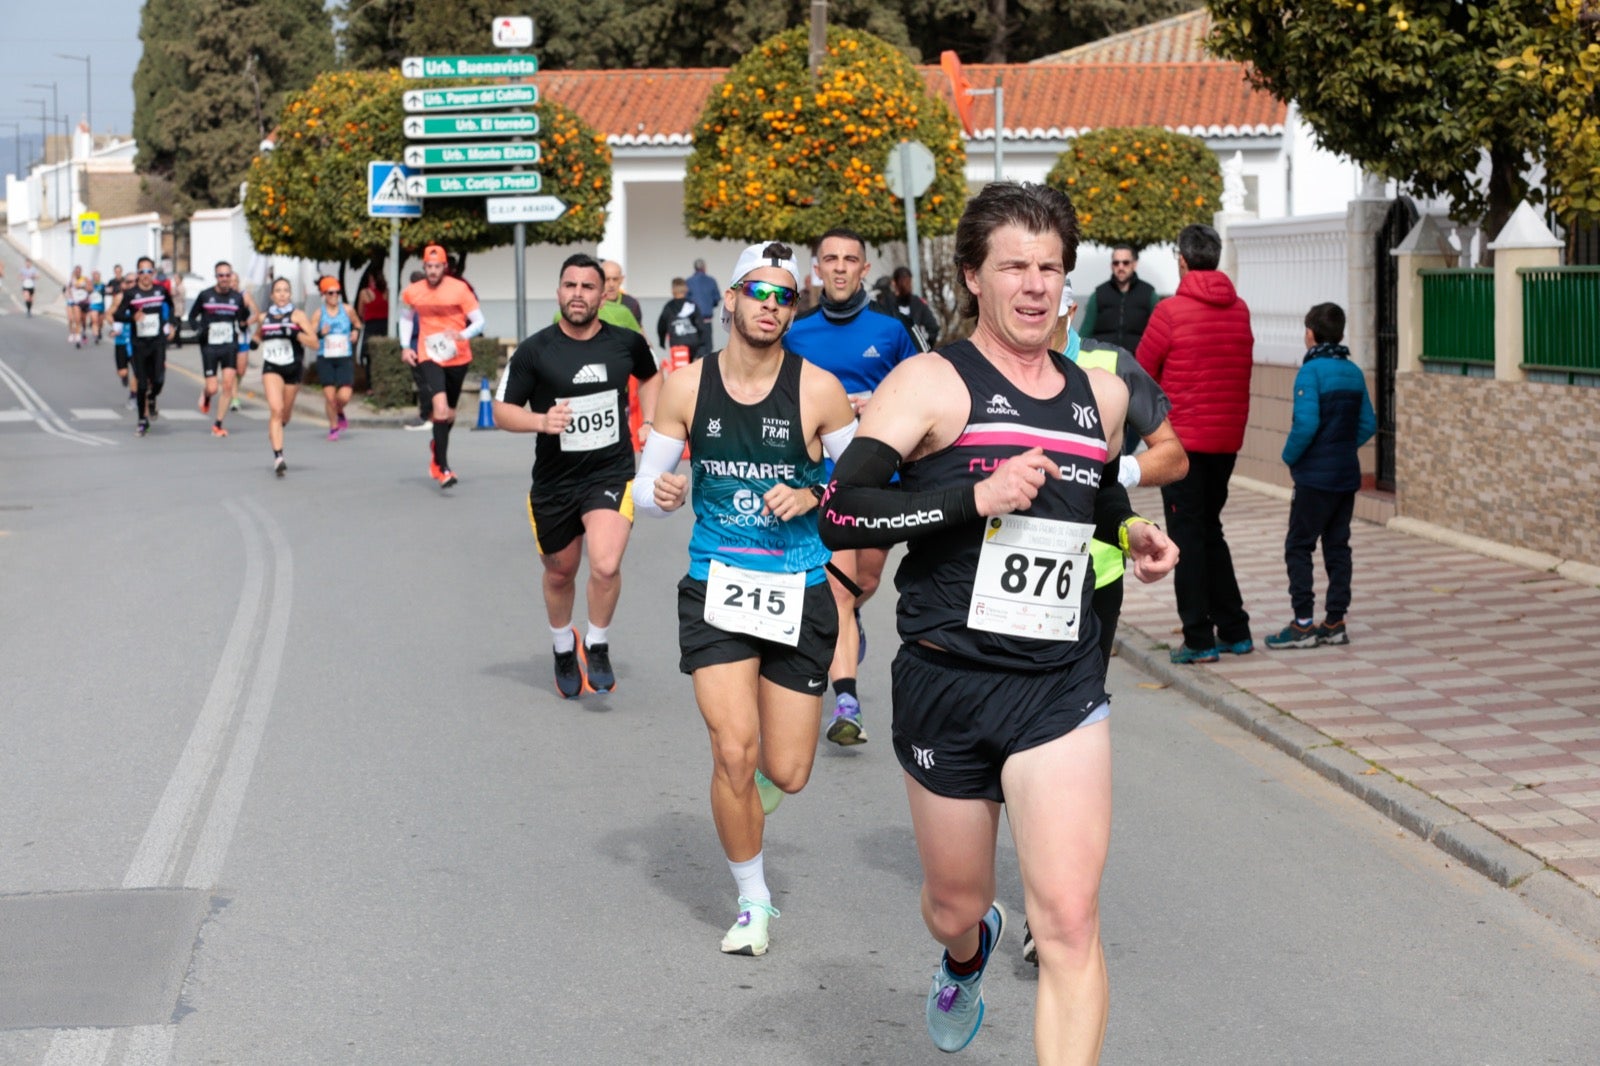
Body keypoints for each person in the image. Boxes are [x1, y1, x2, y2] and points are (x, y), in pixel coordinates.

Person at [817, 181, 1177, 1061]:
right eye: (1014, 266)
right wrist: (973, 497)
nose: (1035, 285)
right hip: (948, 678)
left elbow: (1088, 495)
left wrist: (1128, 531)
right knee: (954, 903)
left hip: (1060, 683)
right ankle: (966, 951)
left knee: (1070, 920)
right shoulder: (929, 383)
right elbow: (843, 511)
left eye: (1050, 267)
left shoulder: (1100, 396)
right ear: (973, 277)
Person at [631, 241, 858, 956]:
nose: (771, 305)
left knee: (785, 770)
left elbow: (864, 484)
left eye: (784, 296)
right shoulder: (685, 388)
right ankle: (753, 901)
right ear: (728, 299)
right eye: (758, 291)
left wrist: (815, 494)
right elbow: (646, 490)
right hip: (717, 585)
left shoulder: (818, 390)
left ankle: (754, 787)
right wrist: (663, 494)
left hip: (799, 587)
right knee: (733, 750)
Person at [492, 253, 661, 697]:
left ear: (604, 294)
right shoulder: (535, 350)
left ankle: (597, 643)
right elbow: (502, 410)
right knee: (560, 573)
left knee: (605, 565)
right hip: (555, 481)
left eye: (588, 287)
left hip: (610, 472)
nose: (578, 294)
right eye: (571, 286)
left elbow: (651, 377)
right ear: (558, 292)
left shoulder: (626, 343)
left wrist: (650, 421)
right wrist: (540, 421)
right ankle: (563, 646)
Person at [783, 227, 918, 745]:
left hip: (883, 479)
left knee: (865, 581)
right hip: (824, 480)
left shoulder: (892, 332)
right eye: (830, 259)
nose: (839, 267)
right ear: (817, 269)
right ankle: (846, 702)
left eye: (850, 259)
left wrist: (877, 402)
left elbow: (922, 393)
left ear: (865, 268)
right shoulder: (796, 333)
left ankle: (850, 618)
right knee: (840, 588)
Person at [1136, 223, 1255, 664]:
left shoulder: (1169, 312)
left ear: (1182, 261)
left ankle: (1199, 639)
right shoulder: (1239, 309)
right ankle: (1235, 629)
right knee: (1209, 529)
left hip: (1182, 445)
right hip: (1226, 441)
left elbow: (1142, 373)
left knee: (1186, 535)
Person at [1266, 302, 1377, 650]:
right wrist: (1341, 446)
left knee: (1298, 546)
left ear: (1310, 334)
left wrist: (1290, 456)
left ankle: (1302, 625)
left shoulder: (1310, 372)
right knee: (1337, 546)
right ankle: (1335, 622)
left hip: (1315, 478)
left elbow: (1306, 424)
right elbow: (1368, 424)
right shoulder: (1354, 372)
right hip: (1346, 475)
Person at [400, 244, 486, 489]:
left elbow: (479, 322)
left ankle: (436, 447)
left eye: (437, 267)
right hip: (429, 354)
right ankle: (443, 468)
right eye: (429, 266)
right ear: (424, 266)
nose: (433, 271)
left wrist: (462, 334)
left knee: (449, 414)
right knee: (439, 407)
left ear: (445, 267)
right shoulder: (413, 291)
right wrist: (405, 346)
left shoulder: (460, 289)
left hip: (458, 356)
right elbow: (406, 318)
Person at [256, 277, 317, 476]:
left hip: (292, 368)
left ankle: (277, 429)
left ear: (290, 294)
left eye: (286, 291)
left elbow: (314, 343)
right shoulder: (264, 317)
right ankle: (279, 457)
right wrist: (253, 342)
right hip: (271, 367)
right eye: (278, 291)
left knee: (285, 415)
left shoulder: (298, 316)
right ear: (272, 295)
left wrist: (294, 333)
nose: (282, 294)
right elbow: (258, 335)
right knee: (276, 409)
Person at [188, 261, 253, 438]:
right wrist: (199, 329)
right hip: (209, 346)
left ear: (231, 276)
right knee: (213, 388)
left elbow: (242, 320)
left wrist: (246, 312)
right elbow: (192, 317)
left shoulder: (237, 298)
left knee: (228, 384)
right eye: (221, 275)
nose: (224, 278)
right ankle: (206, 394)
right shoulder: (205, 295)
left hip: (229, 345)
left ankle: (218, 424)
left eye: (227, 275)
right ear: (216, 277)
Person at [113, 257, 177, 437]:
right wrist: (131, 318)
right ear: (138, 274)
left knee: (158, 380)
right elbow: (117, 315)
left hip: (157, 343)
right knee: (141, 384)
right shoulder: (131, 294)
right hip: (139, 344)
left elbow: (171, 307)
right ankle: (142, 420)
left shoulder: (160, 290)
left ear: (154, 273)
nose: (146, 275)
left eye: (149, 271)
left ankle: (152, 397)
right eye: (142, 271)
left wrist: (171, 324)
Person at [1078, 244, 1160, 354]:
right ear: (1111, 266)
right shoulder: (1098, 295)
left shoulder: (1149, 294)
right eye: (1116, 263)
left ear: (1134, 264)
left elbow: (1158, 335)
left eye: (1125, 263)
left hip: (1136, 360)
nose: (1120, 267)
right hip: (1104, 360)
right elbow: (1084, 334)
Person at [311, 275, 361, 441]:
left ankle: (339, 411)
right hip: (325, 358)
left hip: (344, 357)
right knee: (330, 397)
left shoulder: (347, 310)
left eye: (337, 293)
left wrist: (355, 332)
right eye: (330, 293)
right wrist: (321, 333)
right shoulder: (319, 313)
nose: (334, 296)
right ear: (323, 294)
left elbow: (357, 324)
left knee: (344, 396)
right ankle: (333, 427)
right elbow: (310, 335)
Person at [876, 265, 942, 351]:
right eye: (904, 281)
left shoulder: (917, 303)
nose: (906, 285)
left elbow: (933, 328)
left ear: (894, 283)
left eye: (907, 281)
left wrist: (923, 348)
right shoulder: (887, 303)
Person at [656, 277, 707, 362]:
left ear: (672, 290)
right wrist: (702, 346)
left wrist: (662, 342)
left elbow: (661, 326)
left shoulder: (669, 307)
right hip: (693, 342)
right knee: (692, 366)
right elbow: (701, 326)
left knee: (679, 367)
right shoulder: (692, 305)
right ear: (686, 289)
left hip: (677, 342)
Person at [354, 267, 389, 390]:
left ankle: (370, 387)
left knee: (369, 356)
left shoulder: (365, 293)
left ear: (370, 279)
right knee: (383, 356)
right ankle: (382, 384)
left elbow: (360, 311)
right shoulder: (387, 292)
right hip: (384, 325)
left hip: (370, 326)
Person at [686, 257, 720, 343]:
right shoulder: (711, 281)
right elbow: (717, 298)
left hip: (693, 320)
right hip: (707, 319)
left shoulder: (688, 282)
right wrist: (710, 304)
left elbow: (686, 300)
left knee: (695, 345)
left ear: (695, 268)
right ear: (704, 267)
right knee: (707, 345)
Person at [601, 260, 643, 326]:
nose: (611, 284)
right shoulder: (594, 304)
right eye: (607, 279)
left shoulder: (632, 303)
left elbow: (638, 329)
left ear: (621, 280)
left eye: (615, 279)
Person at [67, 267, 90, 347]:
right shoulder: (71, 281)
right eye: (76, 271)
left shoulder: (85, 279)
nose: (77, 273)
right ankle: (77, 339)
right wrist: (70, 296)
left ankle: (83, 331)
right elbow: (68, 289)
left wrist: (82, 286)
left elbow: (90, 288)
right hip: (76, 302)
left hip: (84, 302)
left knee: (83, 320)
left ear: (81, 272)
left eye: (79, 271)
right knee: (77, 319)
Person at [88, 271, 106, 343]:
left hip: (101, 305)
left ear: (99, 277)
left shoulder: (103, 285)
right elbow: (87, 290)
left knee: (100, 322)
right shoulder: (90, 285)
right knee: (94, 321)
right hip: (93, 305)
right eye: (94, 277)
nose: (96, 278)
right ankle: (95, 336)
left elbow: (107, 292)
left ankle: (99, 330)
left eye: (97, 276)